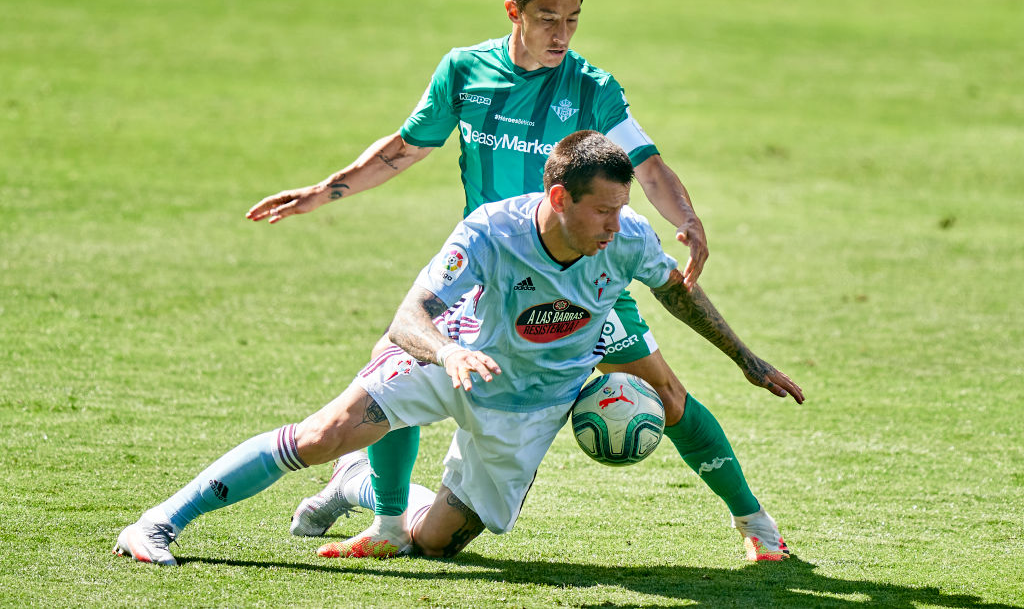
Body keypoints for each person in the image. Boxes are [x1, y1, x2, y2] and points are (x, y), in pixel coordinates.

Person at [245, 0, 803, 560]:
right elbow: (405, 148)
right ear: (515, 12)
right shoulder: (465, 71)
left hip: (581, 278)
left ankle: (755, 524)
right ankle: (383, 515)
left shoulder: (592, 87)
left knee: (667, 397)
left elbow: (646, 164)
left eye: (573, 19)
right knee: (394, 374)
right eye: (547, 19)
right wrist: (325, 190)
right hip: (489, 278)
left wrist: (686, 220)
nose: (561, 34)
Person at [115, 132, 802, 566]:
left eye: (622, 208)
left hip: (529, 407)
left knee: (434, 544)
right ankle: (158, 524)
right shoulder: (491, 231)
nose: (615, 223)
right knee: (321, 432)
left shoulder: (625, 239)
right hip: (453, 360)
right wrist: (446, 354)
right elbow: (409, 316)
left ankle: (356, 485)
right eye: (602, 209)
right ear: (558, 197)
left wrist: (747, 360)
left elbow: (675, 292)